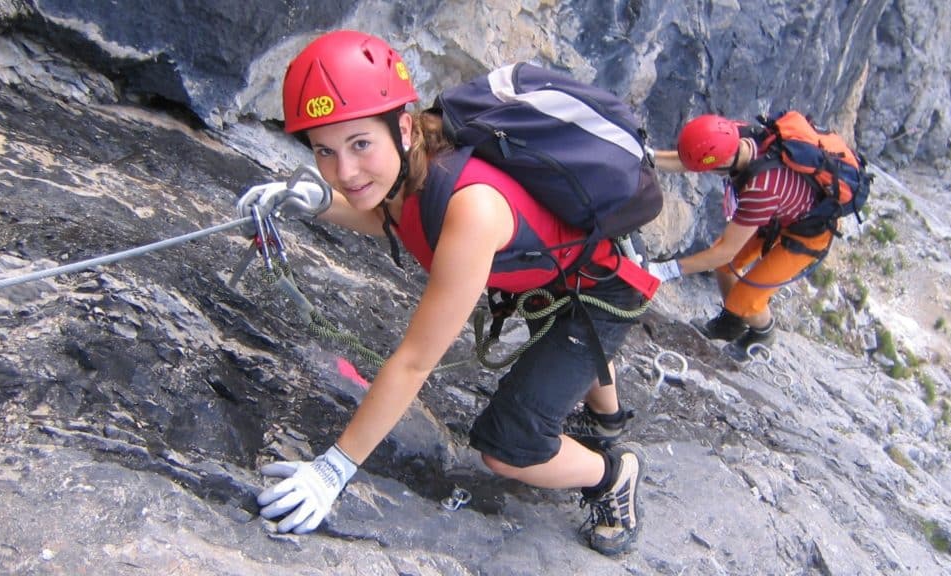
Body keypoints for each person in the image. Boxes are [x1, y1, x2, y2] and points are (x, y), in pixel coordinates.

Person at [236, 30, 651, 556]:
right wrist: (311, 200)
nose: (345, 171)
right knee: (564, 347)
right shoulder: (418, 163)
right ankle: (605, 417)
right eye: (324, 151)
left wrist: (333, 467)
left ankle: (613, 472)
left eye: (360, 144)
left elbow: (413, 363)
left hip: (596, 290)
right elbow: (392, 216)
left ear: (402, 127)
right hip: (556, 273)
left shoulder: (469, 207)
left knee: (511, 446)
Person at [648, 114, 833, 356]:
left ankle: (762, 333)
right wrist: (648, 157)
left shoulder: (762, 189)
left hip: (808, 232)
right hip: (780, 212)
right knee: (726, 267)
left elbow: (725, 251)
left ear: (724, 162)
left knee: (747, 299)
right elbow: (693, 159)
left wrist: (665, 270)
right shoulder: (734, 136)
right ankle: (731, 322)